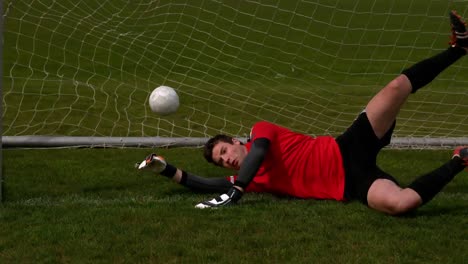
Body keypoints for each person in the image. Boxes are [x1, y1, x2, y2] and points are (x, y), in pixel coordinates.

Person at [137, 11, 468, 215]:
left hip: (348, 146)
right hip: (353, 183)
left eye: (226, 152)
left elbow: (260, 152)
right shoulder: (253, 181)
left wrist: (237, 189)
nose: (227, 160)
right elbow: (206, 183)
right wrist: (166, 170)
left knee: (396, 88)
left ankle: (459, 49)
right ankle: (460, 159)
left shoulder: (261, 132)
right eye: (223, 161)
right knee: (402, 204)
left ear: (237, 141)